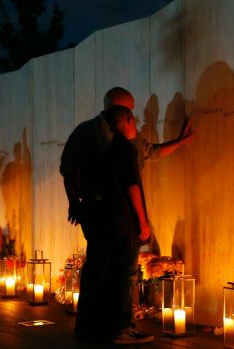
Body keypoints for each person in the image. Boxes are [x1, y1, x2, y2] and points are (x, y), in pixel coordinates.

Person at [60, 87, 193, 343]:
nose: (136, 116)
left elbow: (150, 151)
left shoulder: (126, 140)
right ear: (119, 112)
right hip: (111, 213)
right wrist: (74, 202)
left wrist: (178, 142)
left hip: (105, 211)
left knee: (103, 269)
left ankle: (95, 327)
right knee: (118, 270)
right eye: (131, 111)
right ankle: (117, 327)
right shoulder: (95, 135)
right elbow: (127, 182)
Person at [101, 105, 151, 344]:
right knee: (126, 274)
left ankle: (114, 327)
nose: (137, 127)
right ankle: (123, 329)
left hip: (111, 219)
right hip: (126, 220)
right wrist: (143, 221)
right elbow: (132, 186)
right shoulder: (127, 150)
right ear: (129, 120)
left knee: (116, 273)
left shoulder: (109, 150)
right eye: (135, 122)